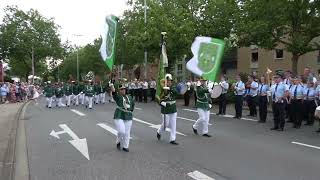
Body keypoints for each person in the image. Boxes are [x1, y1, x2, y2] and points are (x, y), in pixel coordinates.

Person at [157, 74, 179, 144]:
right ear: (165, 81)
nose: (169, 82)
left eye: (170, 81)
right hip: (165, 108)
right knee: (166, 124)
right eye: (168, 81)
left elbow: (177, 93)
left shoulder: (173, 88)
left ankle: (172, 139)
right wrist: (164, 103)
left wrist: (170, 89)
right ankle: (159, 131)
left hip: (173, 108)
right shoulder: (162, 89)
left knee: (173, 124)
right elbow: (157, 98)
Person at [112, 83, 135, 152]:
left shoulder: (130, 97)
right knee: (122, 131)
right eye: (121, 89)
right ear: (119, 90)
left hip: (128, 115)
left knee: (127, 132)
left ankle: (125, 146)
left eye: (124, 89)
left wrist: (130, 111)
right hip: (119, 115)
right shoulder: (118, 96)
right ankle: (118, 140)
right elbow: (114, 93)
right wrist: (112, 86)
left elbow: (133, 106)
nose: (123, 90)